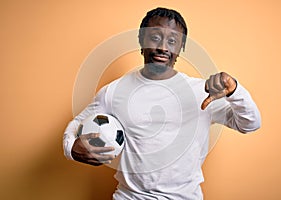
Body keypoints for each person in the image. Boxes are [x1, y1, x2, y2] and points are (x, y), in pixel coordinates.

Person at [63, 7, 261, 200]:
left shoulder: (202, 92)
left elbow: (250, 124)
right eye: (155, 37)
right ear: (141, 40)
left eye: (172, 41)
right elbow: (77, 123)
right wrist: (71, 148)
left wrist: (235, 91)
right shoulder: (113, 91)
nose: (163, 48)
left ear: (181, 48)